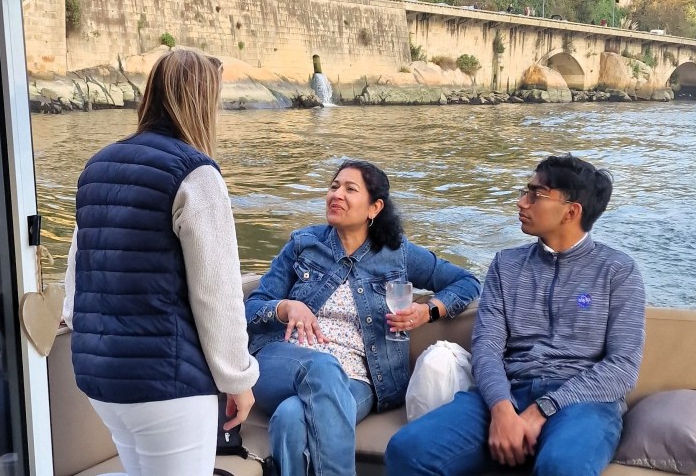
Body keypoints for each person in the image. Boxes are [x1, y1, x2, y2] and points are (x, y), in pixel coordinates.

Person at [62, 49, 259, 476]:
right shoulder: (196, 174)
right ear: (202, 102)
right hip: (165, 383)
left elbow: (77, 275)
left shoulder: (97, 166)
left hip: (101, 378)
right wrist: (238, 380)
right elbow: (216, 293)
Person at [386, 155, 646, 476]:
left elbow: (621, 367)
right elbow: (487, 347)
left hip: (583, 402)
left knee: (562, 467)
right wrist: (501, 409)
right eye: (526, 191)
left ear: (571, 211)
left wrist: (543, 410)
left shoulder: (617, 271)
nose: (522, 202)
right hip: (507, 391)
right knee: (408, 450)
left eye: (536, 195)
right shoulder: (506, 265)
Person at [245, 159, 481, 476]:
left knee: (290, 417)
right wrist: (285, 307)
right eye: (333, 186)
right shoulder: (304, 244)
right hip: (283, 361)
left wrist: (428, 310)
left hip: (357, 378)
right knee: (321, 365)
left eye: (350, 189)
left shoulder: (397, 252)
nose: (336, 194)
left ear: (374, 207)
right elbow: (252, 307)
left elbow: (468, 281)